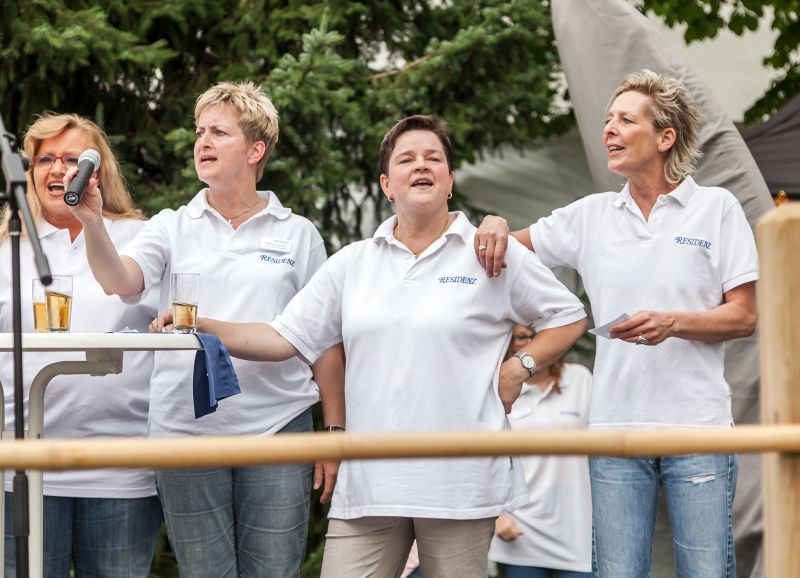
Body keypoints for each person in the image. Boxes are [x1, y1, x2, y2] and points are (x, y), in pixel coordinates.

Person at [179, 114, 588, 578]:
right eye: (406, 159)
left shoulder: (487, 251)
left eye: (433, 158)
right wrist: (201, 325)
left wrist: (519, 366)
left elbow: (568, 315)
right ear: (386, 185)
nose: (421, 165)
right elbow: (281, 338)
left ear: (450, 180)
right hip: (370, 485)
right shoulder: (352, 263)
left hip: (460, 484)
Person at [475, 70, 758, 577]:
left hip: (700, 431)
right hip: (613, 435)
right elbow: (503, 250)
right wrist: (493, 224)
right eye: (608, 119)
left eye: (626, 120)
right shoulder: (591, 215)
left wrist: (672, 322)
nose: (608, 129)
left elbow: (744, 316)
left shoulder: (717, 208)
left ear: (664, 137)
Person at [67, 81, 345, 578]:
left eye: (219, 132)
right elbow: (119, 280)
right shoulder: (172, 225)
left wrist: (335, 432)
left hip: (278, 428)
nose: (203, 141)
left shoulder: (298, 232)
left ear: (255, 150)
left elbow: (323, 341)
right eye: (199, 132)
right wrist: (92, 223)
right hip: (184, 431)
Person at [0, 113, 162, 576]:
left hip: (121, 466)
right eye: (45, 159)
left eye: (72, 159)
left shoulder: (140, 236)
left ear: (97, 169)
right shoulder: (8, 244)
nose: (58, 170)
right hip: (23, 466)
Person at [488, 325, 592, 578]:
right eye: (522, 337)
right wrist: (496, 516)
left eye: (539, 336)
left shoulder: (579, 379)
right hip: (520, 529)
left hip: (577, 529)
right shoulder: (497, 388)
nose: (532, 344)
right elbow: (485, 459)